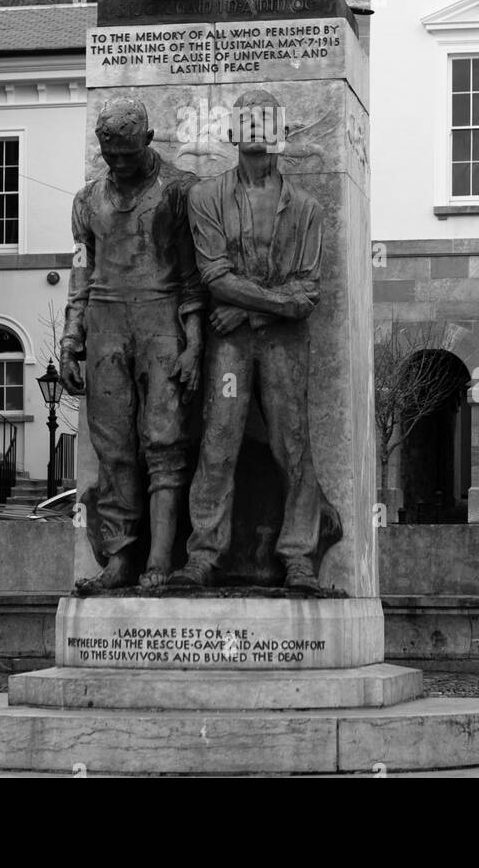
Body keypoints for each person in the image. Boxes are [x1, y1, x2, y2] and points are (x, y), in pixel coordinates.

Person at [170, 89, 326, 592]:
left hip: (277, 343)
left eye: (267, 120)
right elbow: (214, 276)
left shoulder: (305, 208)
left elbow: (306, 293)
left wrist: (247, 307)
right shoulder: (205, 197)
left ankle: (299, 555)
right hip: (231, 348)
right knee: (218, 443)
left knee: (292, 445)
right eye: (249, 120)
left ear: (280, 131)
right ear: (234, 130)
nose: (258, 128)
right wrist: (268, 303)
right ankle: (204, 555)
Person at [59, 98, 203, 589]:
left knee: (164, 441)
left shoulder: (179, 191)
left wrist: (194, 341)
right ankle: (121, 558)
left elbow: (193, 275)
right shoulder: (85, 201)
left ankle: (161, 558)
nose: (118, 164)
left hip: (162, 320)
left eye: (126, 153)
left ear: (147, 139)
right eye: (109, 155)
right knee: (113, 447)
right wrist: (70, 336)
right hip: (105, 325)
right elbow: (81, 271)